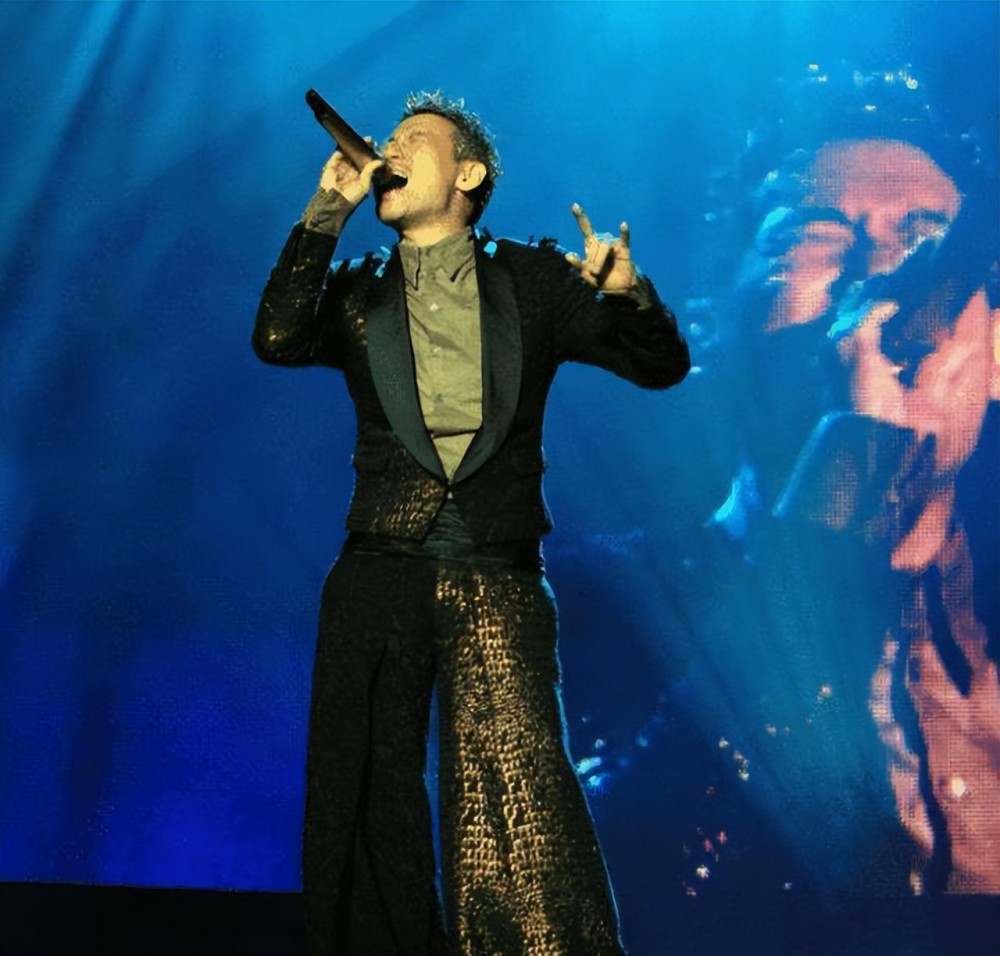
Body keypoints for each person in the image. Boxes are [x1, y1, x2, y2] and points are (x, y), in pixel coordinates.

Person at [253, 91, 690, 955]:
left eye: (414, 139)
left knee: (518, 801)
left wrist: (630, 296)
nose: (391, 148)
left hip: (494, 568)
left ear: (468, 174)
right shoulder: (357, 289)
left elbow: (661, 367)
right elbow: (277, 337)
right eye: (388, 139)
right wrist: (327, 208)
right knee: (362, 787)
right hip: (377, 565)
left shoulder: (532, 279)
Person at [712, 70, 999, 895]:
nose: (877, 281)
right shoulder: (574, 609)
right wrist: (850, 471)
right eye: (814, 240)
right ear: (714, 322)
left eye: (925, 246)